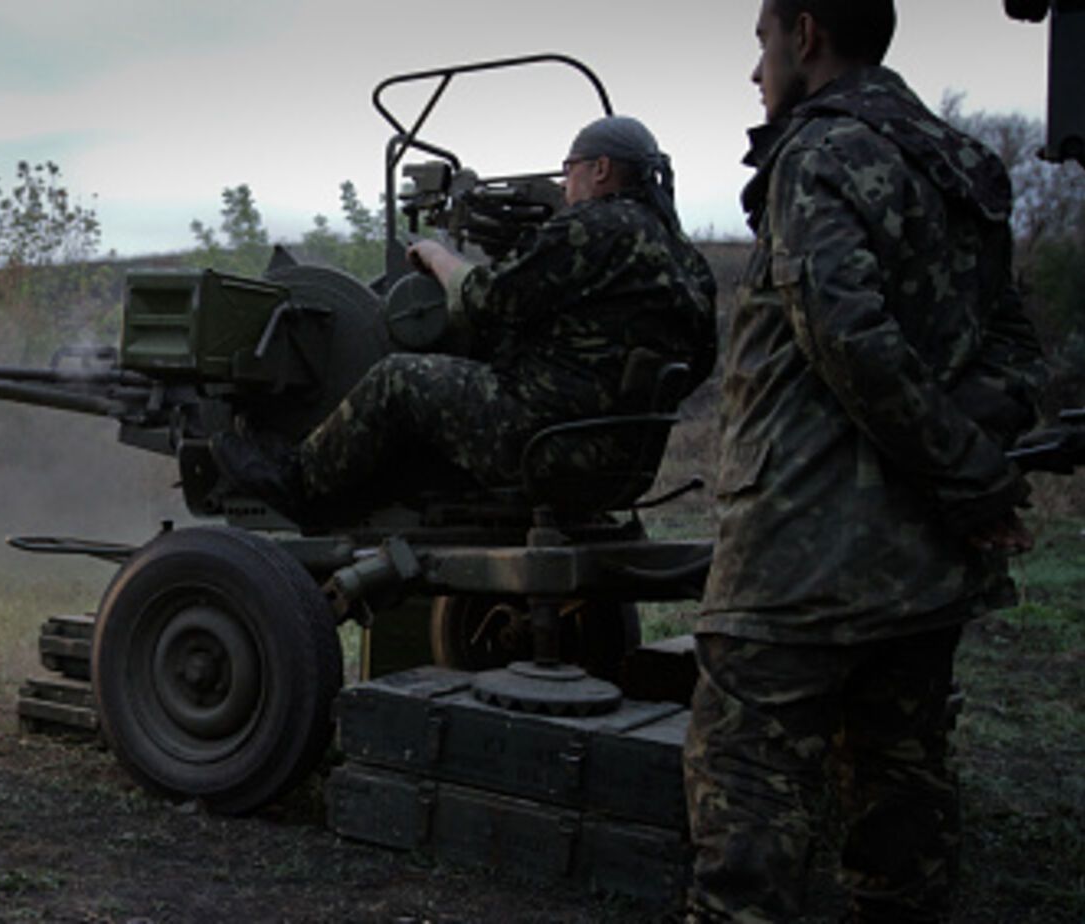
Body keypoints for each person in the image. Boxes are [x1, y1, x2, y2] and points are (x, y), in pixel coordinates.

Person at [685, 2, 1049, 921]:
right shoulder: (963, 166)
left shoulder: (818, 153)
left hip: (794, 558)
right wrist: (963, 468)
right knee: (900, 810)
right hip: (922, 565)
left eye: (760, 46)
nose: (754, 73)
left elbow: (845, 335)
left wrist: (969, 474)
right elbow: (1014, 350)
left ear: (804, 35)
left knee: (748, 807)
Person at [212, 115, 718, 522]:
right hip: (622, 458)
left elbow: (488, 298)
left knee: (398, 379)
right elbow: (697, 362)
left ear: (601, 169)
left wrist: (437, 256)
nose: (566, 185)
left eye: (570, 170)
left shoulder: (595, 228)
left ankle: (299, 482)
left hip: (546, 441)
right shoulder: (682, 254)